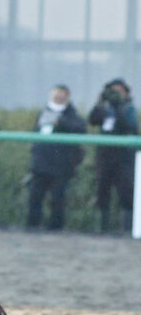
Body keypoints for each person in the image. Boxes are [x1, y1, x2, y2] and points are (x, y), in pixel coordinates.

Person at [25, 84, 85, 230]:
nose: (59, 96)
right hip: (40, 163)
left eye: (62, 94)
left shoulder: (73, 115)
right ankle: (32, 226)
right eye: (57, 93)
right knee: (35, 196)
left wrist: (61, 123)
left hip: (61, 165)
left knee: (58, 198)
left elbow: (79, 129)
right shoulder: (43, 112)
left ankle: (56, 228)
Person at [87, 78, 138, 233]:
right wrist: (100, 103)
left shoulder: (129, 107)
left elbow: (130, 126)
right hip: (105, 154)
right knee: (103, 190)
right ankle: (102, 228)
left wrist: (117, 107)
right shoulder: (105, 106)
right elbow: (92, 120)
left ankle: (127, 228)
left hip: (123, 156)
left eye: (119, 91)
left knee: (126, 192)